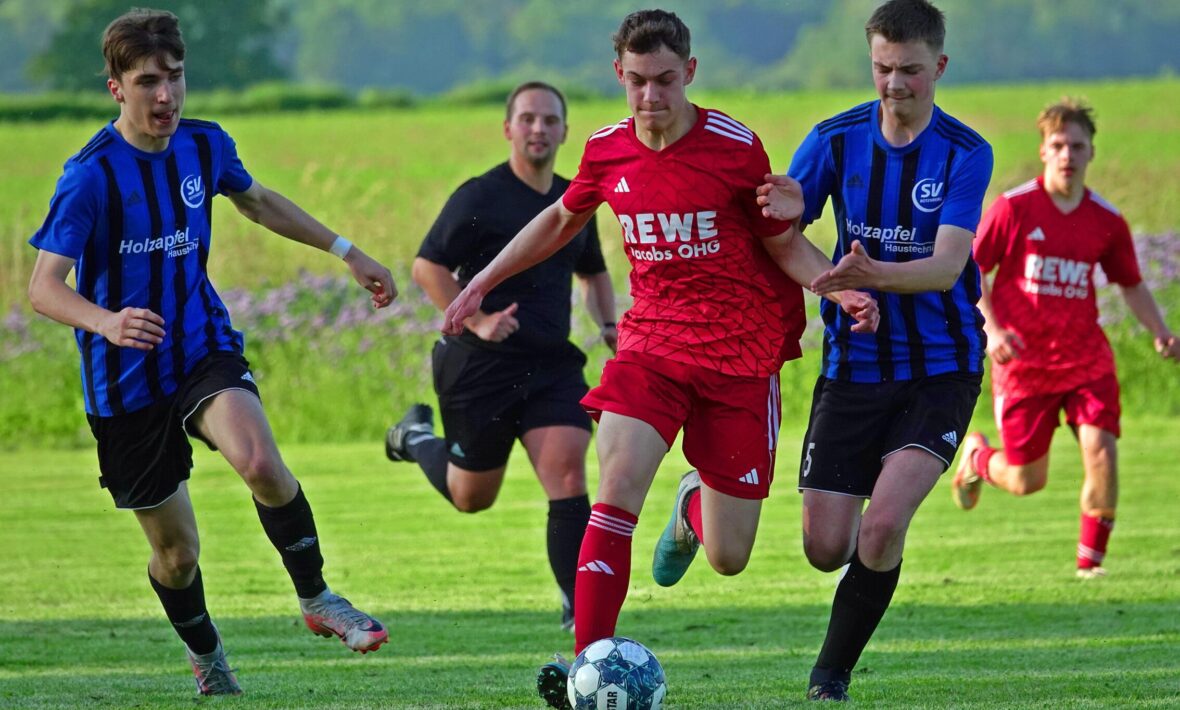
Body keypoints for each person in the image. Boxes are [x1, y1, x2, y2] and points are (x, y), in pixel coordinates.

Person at [441, 10, 879, 709]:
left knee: (730, 557)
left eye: (666, 80)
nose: (651, 96)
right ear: (620, 74)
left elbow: (782, 245)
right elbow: (561, 220)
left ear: (690, 73)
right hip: (652, 344)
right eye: (638, 81)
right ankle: (587, 669)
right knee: (614, 489)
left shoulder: (735, 147)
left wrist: (837, 287)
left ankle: (690, 506)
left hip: (740, 354)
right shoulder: (606, 150)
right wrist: (481, 283)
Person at [26, 9, 394, 697]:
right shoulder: (90, 177)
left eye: (174, 77)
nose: (165, 95)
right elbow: (43, 288)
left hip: (200, 348)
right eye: (147, 82)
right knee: (177, 554)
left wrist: (348, 253)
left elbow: (258, 203)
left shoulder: (204, 146)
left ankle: (317, 598)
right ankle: (208, 657)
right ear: (116, 89)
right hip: (124, 381)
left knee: (260, 462)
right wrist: (106, 322)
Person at [759, 0, 992, 701]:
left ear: (939, 66)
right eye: (883, 68)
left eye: (910, 70)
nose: (895, 84)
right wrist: (831, 285)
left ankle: (829, 678)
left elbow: (946, 267)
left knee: (883, 526)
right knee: (824, 548)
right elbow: (781, 234)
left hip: (941, 367)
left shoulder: (966, 151)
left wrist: (867, 275)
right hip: (853, 368)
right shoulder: (833, 141)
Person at [383, 80, 617, 631]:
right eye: (528, 119)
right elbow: (427, 267)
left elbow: (594, 273)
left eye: (550, 120)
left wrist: (609, 326)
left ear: (565, 131)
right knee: (471, 497)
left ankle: (579, 611)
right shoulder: (480, 197)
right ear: (508, 128)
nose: (539, 129)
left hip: (551, 366)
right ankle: (414, 438)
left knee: (568, 474)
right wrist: (479, 319)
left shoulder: (574, 199)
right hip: (479, 366)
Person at [952, 98, 1180, 577]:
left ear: (1091, 151)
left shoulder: (1106, 220)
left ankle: (1089, 570)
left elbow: (1131, 283)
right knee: (1026, 480)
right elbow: (972, 271)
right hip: (1023, 364)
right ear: (1043, 150)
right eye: (1058, 145)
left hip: (1085, 360)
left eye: (1077, 146)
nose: (1067, 155)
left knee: (1102, 451)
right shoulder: (1013, 208)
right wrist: (992, 330)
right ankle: (976, 457)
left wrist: (1161, 331)